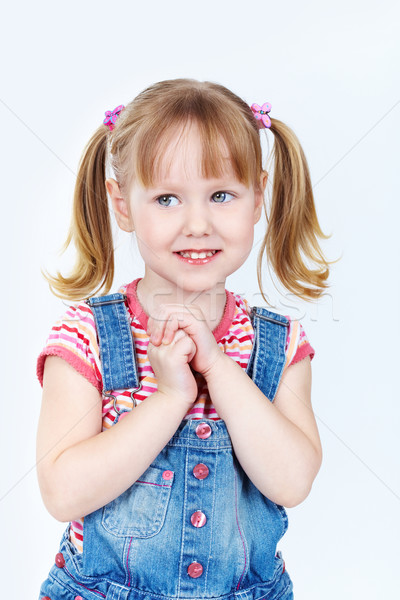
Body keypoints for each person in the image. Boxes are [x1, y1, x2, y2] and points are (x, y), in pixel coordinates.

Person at [36, 78, 332, 600]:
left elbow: (291, 482)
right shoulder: (89, 337)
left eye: (221, 195)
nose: (198, 224)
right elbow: (62, 492)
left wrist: (217, 369)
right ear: (122, 204)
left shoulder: (279, 344)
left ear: (258, 196)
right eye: (167, 198)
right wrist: (172, 397)